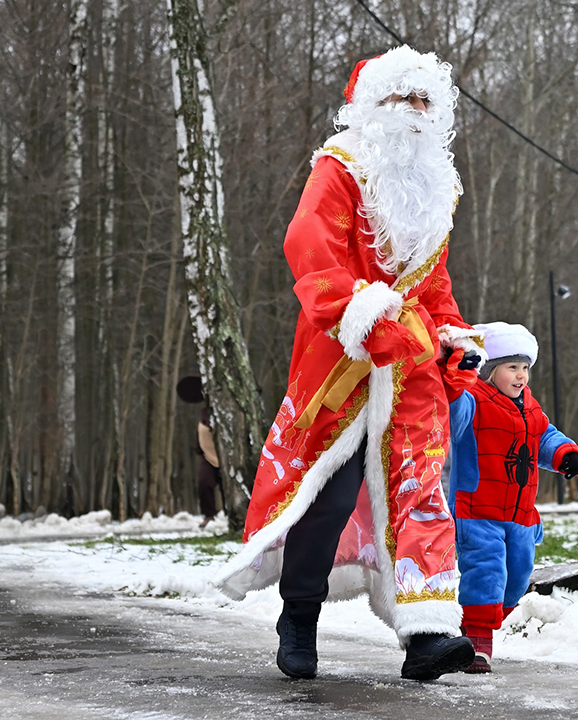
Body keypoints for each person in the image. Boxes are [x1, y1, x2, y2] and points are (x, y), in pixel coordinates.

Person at [214, 45, 485, 682]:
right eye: (402, 99)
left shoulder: (437, 188)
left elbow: (435, 283)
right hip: (342, 362)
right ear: (372, 107)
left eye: (426, 101)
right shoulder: (339, 170)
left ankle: (426, 635)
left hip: (413, 370)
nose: (415, 113)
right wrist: (363, 314)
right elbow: (309, 249)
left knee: (421, 498)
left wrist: (452, 336)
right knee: (326, 496)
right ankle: (299, 614)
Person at [446, 322, 578, 673]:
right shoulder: (473, 399)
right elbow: (453, 416)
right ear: (490, 370)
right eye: (512, 368)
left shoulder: (530, 408)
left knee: (518, 577)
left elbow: (546, 436)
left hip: (521, 514)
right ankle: (478, 644)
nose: (521, 376)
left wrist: (563, 453)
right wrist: (456, 381)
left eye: (525, 368)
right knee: (486, 572)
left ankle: (476, 623)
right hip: (477, 509)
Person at [176, 376, 225, 528]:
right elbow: (203, 432)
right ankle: (209, 515)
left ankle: (234, 514)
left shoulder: (225, 410)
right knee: (204, 482)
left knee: (227, 486)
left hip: (226, 457)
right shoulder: (205, 412)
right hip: (208, 455)